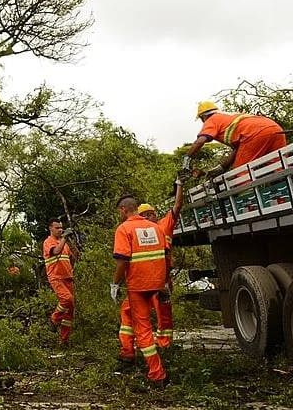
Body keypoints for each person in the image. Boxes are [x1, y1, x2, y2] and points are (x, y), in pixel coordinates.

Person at [111, 196, 171, 388]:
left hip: (138, 285)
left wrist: (115, 284)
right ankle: (128, 351)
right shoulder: (156, 228)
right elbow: (167, 257)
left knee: (143, 329)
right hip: (157, 283)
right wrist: (164, 283)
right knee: (137, 319)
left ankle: (157, 373)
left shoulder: (124, 229)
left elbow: (123, 261)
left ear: (123, 210)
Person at [134, 174, 187, 347]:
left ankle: (165, 344)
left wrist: (179, 184)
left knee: (163, 312)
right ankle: (145, 343)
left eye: (151, 214)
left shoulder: (164, 225)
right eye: (145, 215)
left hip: (162, 278)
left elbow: (177, 206)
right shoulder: (136, 231)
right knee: (141, 313)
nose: (149, 217)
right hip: (143, 278)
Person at [183, 101, 286, 177]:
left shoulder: (211, 120)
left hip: (254, 134)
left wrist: (186, 159)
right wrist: (222, 167)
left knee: (242, 174)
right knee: (281, 166)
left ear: (203, 117)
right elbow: (240, 149)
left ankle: (248, 203)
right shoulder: (230, 117)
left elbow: (200, 141)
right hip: (275, 129)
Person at [42, 219, 79, 345]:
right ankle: (53, 320)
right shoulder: (48, 242)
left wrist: (73, 242)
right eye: (57, 228)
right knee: (66, 299)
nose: (60, 230)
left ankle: (64, 340)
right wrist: (64, 237)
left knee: (70, 311)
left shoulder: (65, 244)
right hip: (56, 277)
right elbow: (56, 251)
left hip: (67, 277)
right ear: (50, 229)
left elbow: (71, 258)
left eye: (61, 228)